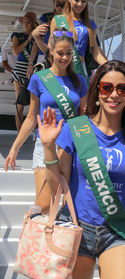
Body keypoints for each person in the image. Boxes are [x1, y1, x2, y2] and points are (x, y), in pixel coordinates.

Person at [38, 60, 125, 279]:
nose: (114, 94)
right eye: (106, 88)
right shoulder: (76, 129)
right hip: (77, 231)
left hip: (116, 232)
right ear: (97, 92)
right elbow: (57, 185)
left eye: (122, 89)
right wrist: (49, 147)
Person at [5, 28, 87, 214]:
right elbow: (32, 116)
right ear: (50, 50)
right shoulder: (39, 78)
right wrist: (15, 147)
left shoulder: (80, 81)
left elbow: (83, 115)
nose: (64, 58)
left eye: (68, 53)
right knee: (43, 206)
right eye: (60, 53)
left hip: (70, 147)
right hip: (44, 145)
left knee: (70, 206)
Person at [11, 11, 39, 132]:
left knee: (36, 104)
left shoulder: (38, 35)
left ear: (33, 23)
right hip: (20, 69)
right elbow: (16, 52)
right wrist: (28, 39)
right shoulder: (17, 35)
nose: (26, 24)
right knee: (20, 105)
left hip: (34, 68)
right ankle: (19, 134)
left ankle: (35, 132)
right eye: (24, 22)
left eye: (28, 22)